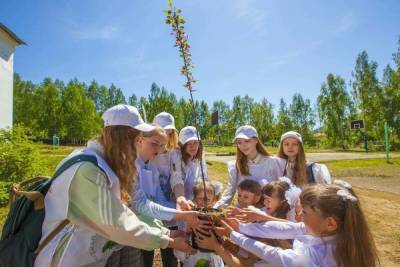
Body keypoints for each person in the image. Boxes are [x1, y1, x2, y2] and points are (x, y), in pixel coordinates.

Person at [34, 104, 195, 267]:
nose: (139, 144)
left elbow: (132, 207)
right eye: (138, 139)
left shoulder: (111, 164)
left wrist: (167, 232)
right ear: (122, 137)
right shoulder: (88, 170)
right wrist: (167, 241)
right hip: (65, 258)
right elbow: (118, 224)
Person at [204, 183, 379, 267]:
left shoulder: (312, 259)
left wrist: (234, 235)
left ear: (330, 223)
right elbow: (287, 228)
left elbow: (272, 254)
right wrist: (240, 227)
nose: (299, 216)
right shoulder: (340, 234)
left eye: (305, 212)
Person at [215, 125, 284, 208]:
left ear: (256, 140)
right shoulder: (235, 166)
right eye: (239, 142)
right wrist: (215, 209)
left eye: (247, 141)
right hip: (244, 212)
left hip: (268, 212)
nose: (243, 145)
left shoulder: (274, 162)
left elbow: (282, 191)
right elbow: (229, 192)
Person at [175, 181, 224, 267]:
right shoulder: (189, 215)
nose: (203, 202)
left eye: (207, 199)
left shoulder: (216, 217)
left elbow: (223, 242)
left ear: (213, 200)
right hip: (194, 257)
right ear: (195, 199)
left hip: (212, 257)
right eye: (200, 198)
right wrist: (188, 231)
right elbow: (179, 246)